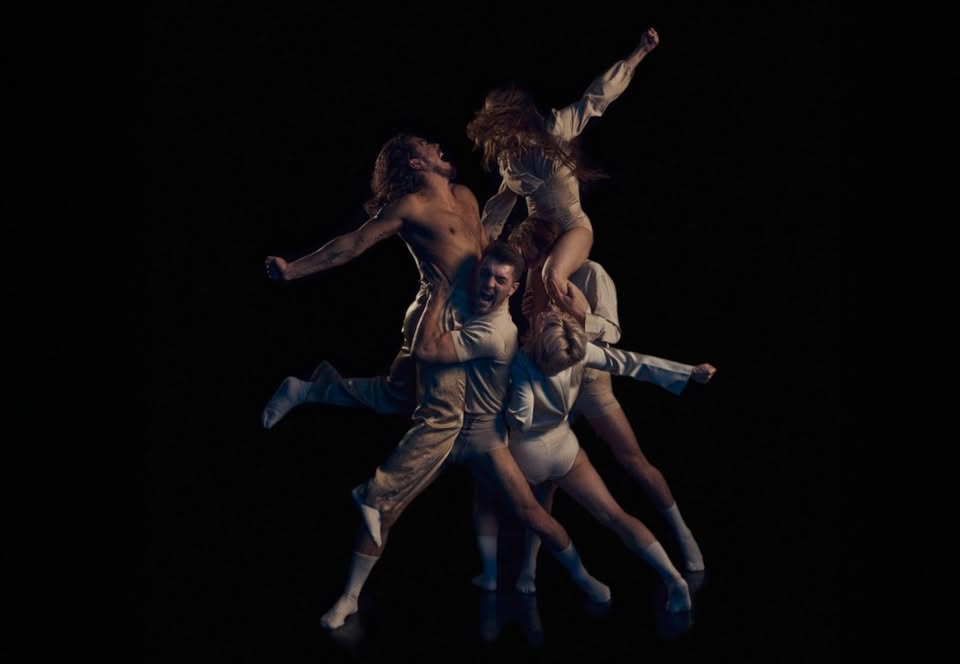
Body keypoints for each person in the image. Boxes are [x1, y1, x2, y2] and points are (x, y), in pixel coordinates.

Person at [320, 242, 610, 629]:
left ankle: (584, 578)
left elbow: (427, 349)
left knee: (531, 514)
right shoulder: (464, 303)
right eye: (485, 274)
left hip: (482, 433)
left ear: (513, 288)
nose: (489, 283)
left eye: (500, 280)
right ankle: (349, 598)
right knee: (385, 508)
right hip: (441, 429)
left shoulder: (498, 332)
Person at [508, 215, 707, 578]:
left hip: (591, 376)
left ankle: (683, 534)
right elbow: (535, 348)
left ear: (553, 249)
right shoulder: (534, 280)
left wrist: (581, 315)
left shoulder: (591, 273)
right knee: (546, 477)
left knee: (633, 459)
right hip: (552, 383)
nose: (533, 266)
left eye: (535, 257)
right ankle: (528, 568)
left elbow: (613, 335)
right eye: (528, 261)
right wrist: (530, 317)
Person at [502, 307, 716, 613]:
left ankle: (530, 572)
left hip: (529, 455)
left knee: (542, 517)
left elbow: (519, 422)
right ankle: (673, 578)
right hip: (565, 448)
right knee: (615, 516)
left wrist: (507, 400)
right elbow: (628, 362)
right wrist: (688, 372)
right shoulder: (579, 350)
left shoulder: (523, 362)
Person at [466, 27, 660, 318]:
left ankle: (589, 322)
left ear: (514, 116)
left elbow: (595, 99)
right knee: (534, 316)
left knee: (553, 277)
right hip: (538, 242)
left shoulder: (555, 132)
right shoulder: (509, 162)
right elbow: (496, 213)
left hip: (574, 228)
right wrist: (478, 253)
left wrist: (640, 52)